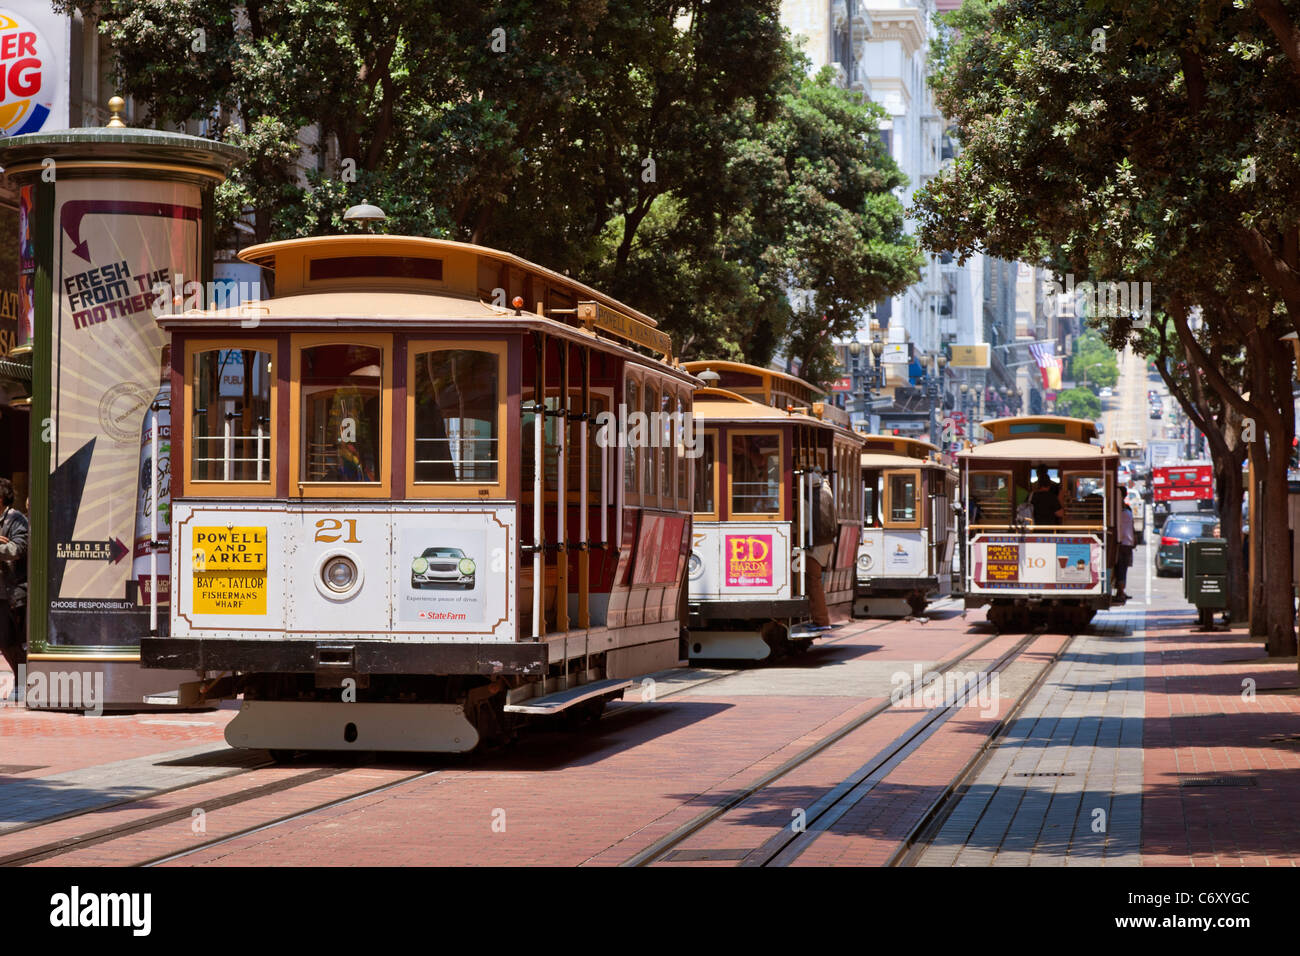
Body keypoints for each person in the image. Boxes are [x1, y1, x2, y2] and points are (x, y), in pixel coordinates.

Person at [0, 479, 28, 695]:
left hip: (13, 591)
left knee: (12, 640)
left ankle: (23, 680)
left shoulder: (16, 519)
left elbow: (16, 549)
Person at [806, 468, 836, 628]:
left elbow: (804, 521)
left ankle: (821, 620)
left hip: (815, 542)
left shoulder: (811, 489)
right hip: (825, 540)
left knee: (813, 580)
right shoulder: (826, 488)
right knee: (815, 580)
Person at [1115, 499, 1135, 601]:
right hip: (1127, 543)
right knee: (1123, 568)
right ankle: (1121, 591)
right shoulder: (1128, 512)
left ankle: (1120, 592)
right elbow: (1132, 527)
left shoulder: (1118, 514)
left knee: (1120, 568)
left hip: (1121, 543)